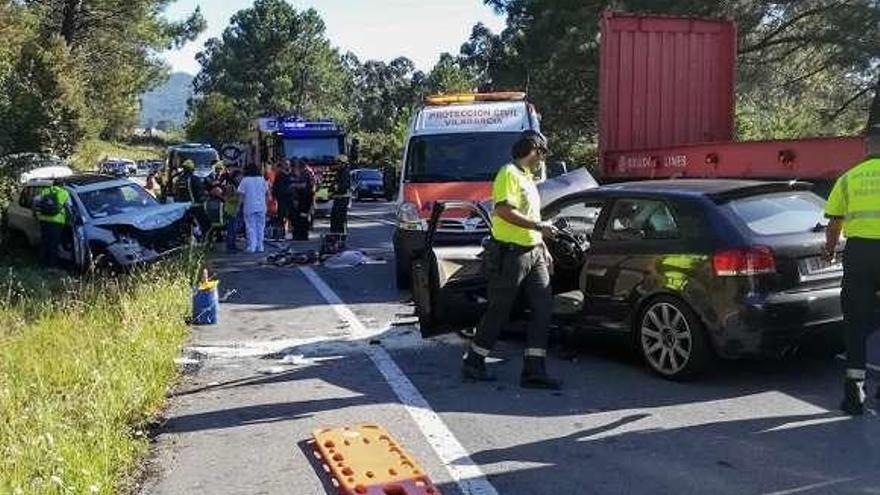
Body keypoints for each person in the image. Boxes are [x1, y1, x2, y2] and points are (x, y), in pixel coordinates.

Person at [461, 130, 561, 389]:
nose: (542, 160)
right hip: (510, 253)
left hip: (533, 252)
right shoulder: (508, 174)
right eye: (543, 154)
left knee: (543, 308)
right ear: (534, 150)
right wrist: (540, 227)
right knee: (500, 310)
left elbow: (529, 214)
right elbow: (504, 211)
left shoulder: (528, 178)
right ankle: (474, 361)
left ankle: (534, 370)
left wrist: (542, 246)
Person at [824, 125, 880, 415]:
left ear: (865, 148)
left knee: (856, 321)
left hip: (860, 254)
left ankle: (854, 396)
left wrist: (830, 250)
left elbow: (834, 226)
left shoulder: (848, 179)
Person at [174, 159, 212, 241]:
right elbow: (200, 193)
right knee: (206, 224)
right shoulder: (194, 179)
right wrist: (206, 197)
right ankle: (204, 241)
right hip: (195, 206)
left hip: (182, 208)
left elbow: (176, 194)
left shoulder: (179, 180)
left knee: (185, 225)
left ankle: (187, 239)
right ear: (192, 169)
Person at [35, 182, 71, 269]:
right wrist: (69, 219)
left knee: (45, 242)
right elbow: (70, 207)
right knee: (54, 244)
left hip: (44, 220)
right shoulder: (64, 192)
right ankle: (52, 265)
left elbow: (36, 201)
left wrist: (36, 215)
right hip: (57, 221)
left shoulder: (45, 191)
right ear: (62, 185)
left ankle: (40, 264)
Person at [237, 164, 269, 253]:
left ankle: (252, 246)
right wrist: (266, 204)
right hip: (261, 206)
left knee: (250, 226)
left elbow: (241, 195)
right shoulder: (262, 179)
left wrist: (238, 206)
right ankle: (260, 245)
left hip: (249, 206)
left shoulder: (245, 180)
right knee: (261, 226)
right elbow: (267, 193)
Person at [289, 159, 315, 240]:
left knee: (302, 217)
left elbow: (303, 186)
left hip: (304, 200)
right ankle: (300, 234)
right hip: (304, 199)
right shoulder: (306, 173)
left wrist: (294, 185)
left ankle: (302, 235)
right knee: (299, 217)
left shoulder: (305, 174)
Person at [222, 166, 243, 252]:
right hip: (231, 209)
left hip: (234, 208)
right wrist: (238, 198)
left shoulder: (236, 185)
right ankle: (230, 246)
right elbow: (227, 198)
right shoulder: (230, 186)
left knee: (234, 228)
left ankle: (233, 245)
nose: (241, 178)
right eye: (240, 176)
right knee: (231, 228)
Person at [272, 160, 293, 239]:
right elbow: (275, 186)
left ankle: (290, 232)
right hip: (281, 199)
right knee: (281, 216)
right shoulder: (279, 175)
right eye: (285, 164)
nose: (286, 166)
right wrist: (274, 195)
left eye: (288, 164)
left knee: (291, 216)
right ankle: (282, 232)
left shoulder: (292, 174)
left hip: (291, 198)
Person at [330, 155, 351, 234]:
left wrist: (335, 187)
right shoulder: (339, 172)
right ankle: (335, 235)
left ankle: (340, 236)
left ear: (343, 163)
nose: (337, 164)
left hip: (342, 199)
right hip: (338, 199)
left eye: (338, 163)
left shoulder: (345, 172)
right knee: (334, 218)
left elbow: (343, 187)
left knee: (340, 219)